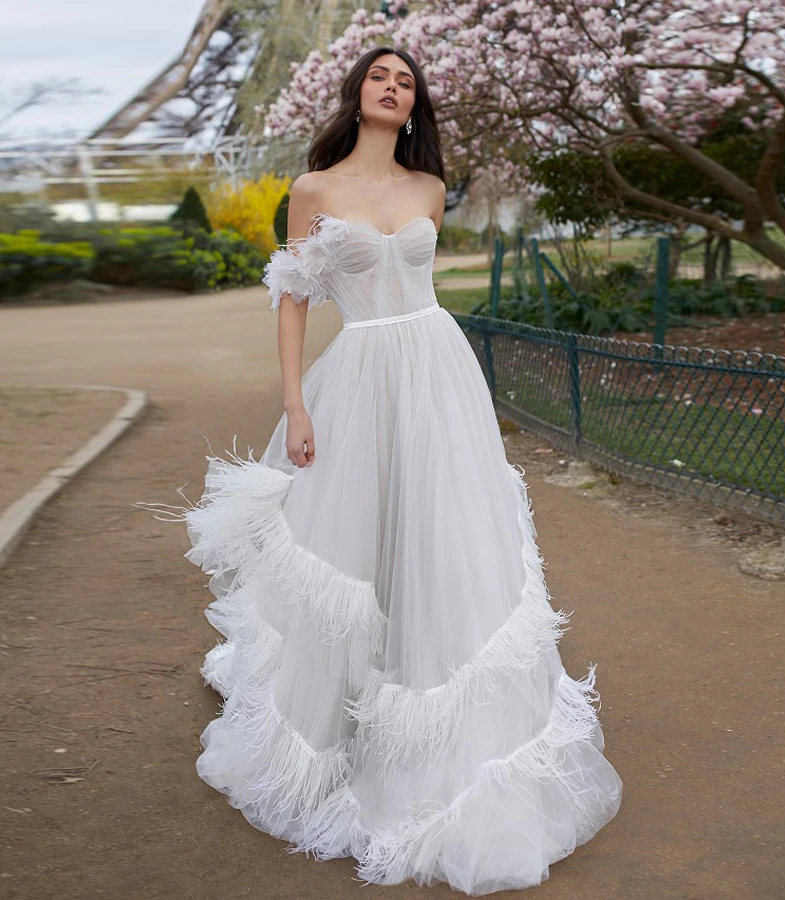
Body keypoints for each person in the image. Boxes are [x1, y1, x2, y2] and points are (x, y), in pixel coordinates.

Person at [136, 45, 622, 895]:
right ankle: (340, 734)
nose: (393, 89)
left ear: (413, 104)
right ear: (357, 93)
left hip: (440, 379)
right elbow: (292, 302)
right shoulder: (315, 190)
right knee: (353, 551)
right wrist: (294, 404)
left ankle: (456, 751)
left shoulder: (430, 189)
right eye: (380, 77)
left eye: (407, 82)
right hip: (357, 382)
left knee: (448, 542)